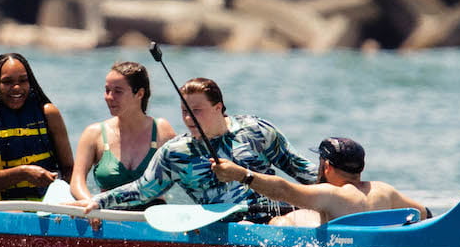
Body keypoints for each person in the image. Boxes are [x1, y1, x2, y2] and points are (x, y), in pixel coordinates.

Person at [85, 77, 316, 223]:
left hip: (276, 213)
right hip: (226, 226)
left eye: (196, 110)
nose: (188, 118)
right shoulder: (175, 153)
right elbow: (143, 189)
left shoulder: (255, 130)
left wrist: (347, 186)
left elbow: (302, 170)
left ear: (218, 108)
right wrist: (97, 202)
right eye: (184, 111)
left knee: (308, 218)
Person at [213, 135, 428, 227]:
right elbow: (424, 213)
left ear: (327, 166)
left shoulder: (330, 194)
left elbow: (283, 190)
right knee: (295, 217)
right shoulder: (384, 191)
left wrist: (241, 174)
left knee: (279, 222)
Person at [0, 53, 73, 201]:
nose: (17, 88)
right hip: (0, 207)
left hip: (47, 208)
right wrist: (23, 173)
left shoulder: (49, 114)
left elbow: (69, 169)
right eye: (7, 82)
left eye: (23, 80)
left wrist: (60, 197)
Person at [69, 60, 177, 201]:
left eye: (118, 92)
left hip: (149, 217)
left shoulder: (162, 130)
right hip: (109, 215)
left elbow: (188, 175)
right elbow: (76, 183)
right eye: (107, 90)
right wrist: (90, 204)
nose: (109, 97)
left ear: (139, 94)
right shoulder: (94, 134)